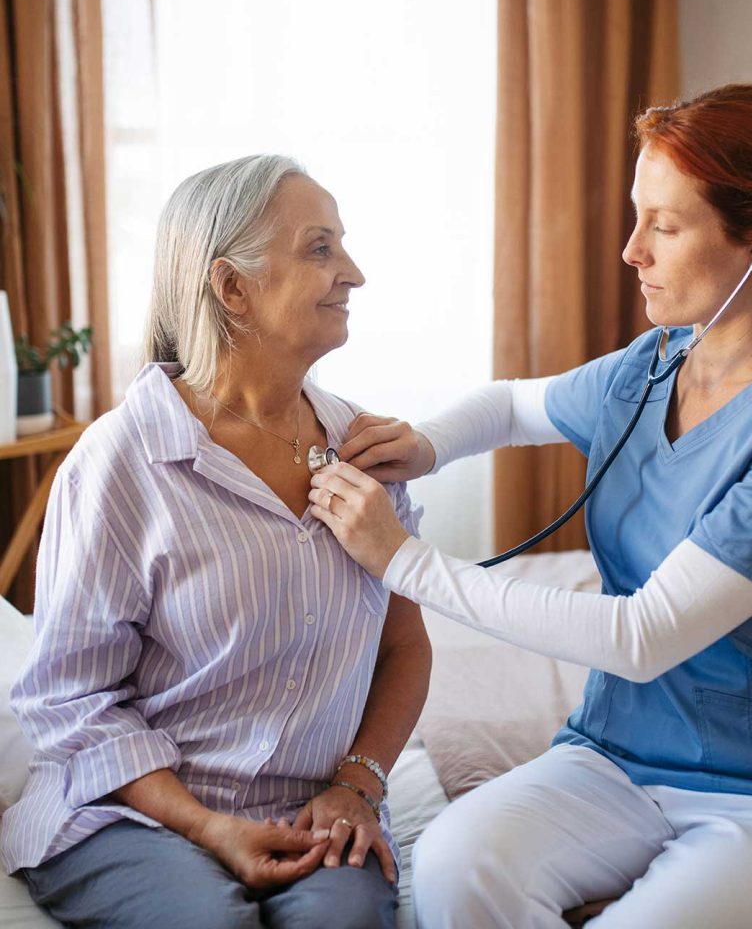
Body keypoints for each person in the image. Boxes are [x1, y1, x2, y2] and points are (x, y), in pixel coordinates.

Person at [306, 84, 752, 928]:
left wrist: (400, 559)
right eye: (636, 216)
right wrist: (425, 443)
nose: (630, 251)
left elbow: (641, 636)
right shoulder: (651, 365)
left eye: (666, 224)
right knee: (451, 868)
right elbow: (511, 405)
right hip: (611, 757)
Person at [0, 155, 431, 929]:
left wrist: (358, 785)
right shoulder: (119, 465)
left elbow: (404, 646)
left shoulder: (367, 453)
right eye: (320, 249)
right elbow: (71, 702)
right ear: (232, 287)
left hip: (311, 809)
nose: (355, 273)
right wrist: (208, 827)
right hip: (129, 814)